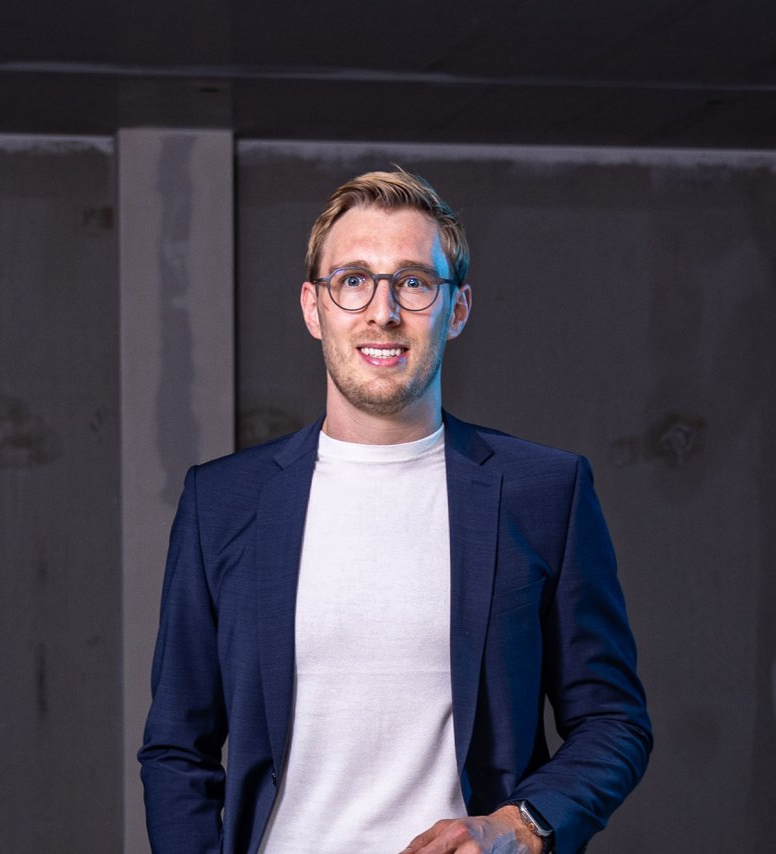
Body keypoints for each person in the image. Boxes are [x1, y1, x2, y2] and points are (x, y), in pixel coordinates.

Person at [138, 168, 651, 854]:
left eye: (413, 282)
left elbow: (613, 720)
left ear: (457, 308)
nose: (382, 312)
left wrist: (520, 825)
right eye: (353, 280)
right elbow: (177, 746)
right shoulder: (224, 502)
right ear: (313, 307)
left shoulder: (543, 493)